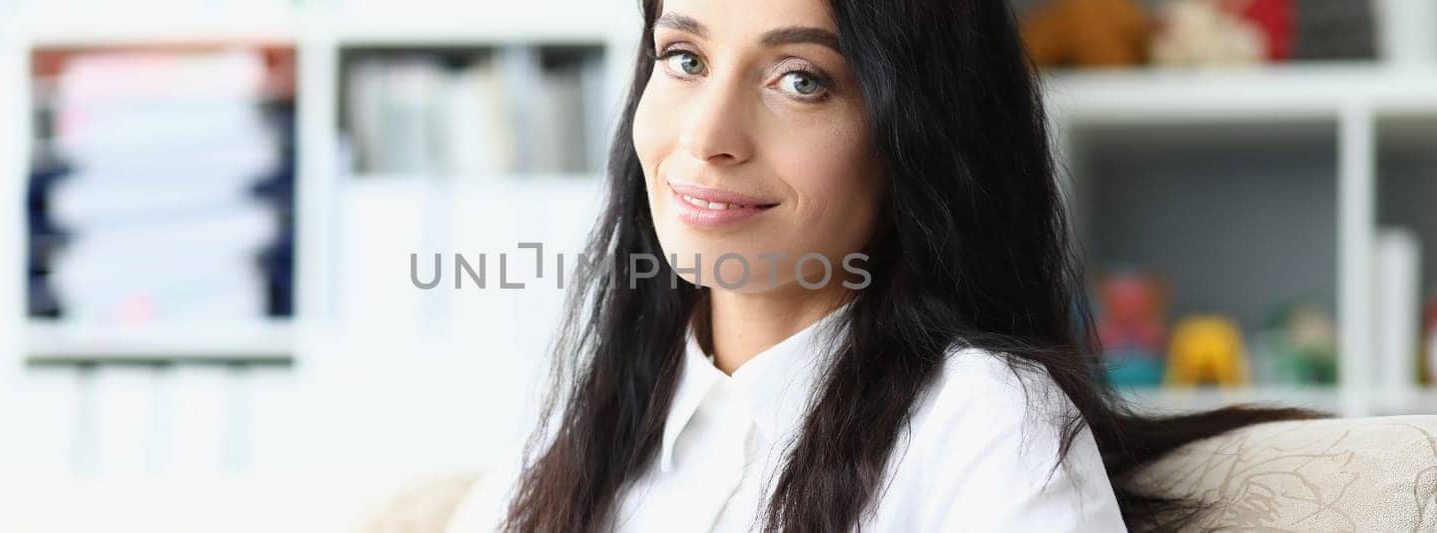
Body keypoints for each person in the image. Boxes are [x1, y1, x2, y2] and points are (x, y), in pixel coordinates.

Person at [447, 0, 1319, 530]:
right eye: (684, 58)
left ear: (917, 138)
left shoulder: (982, 421)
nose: (706, 138)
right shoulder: (578, 435)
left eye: (800, 79)